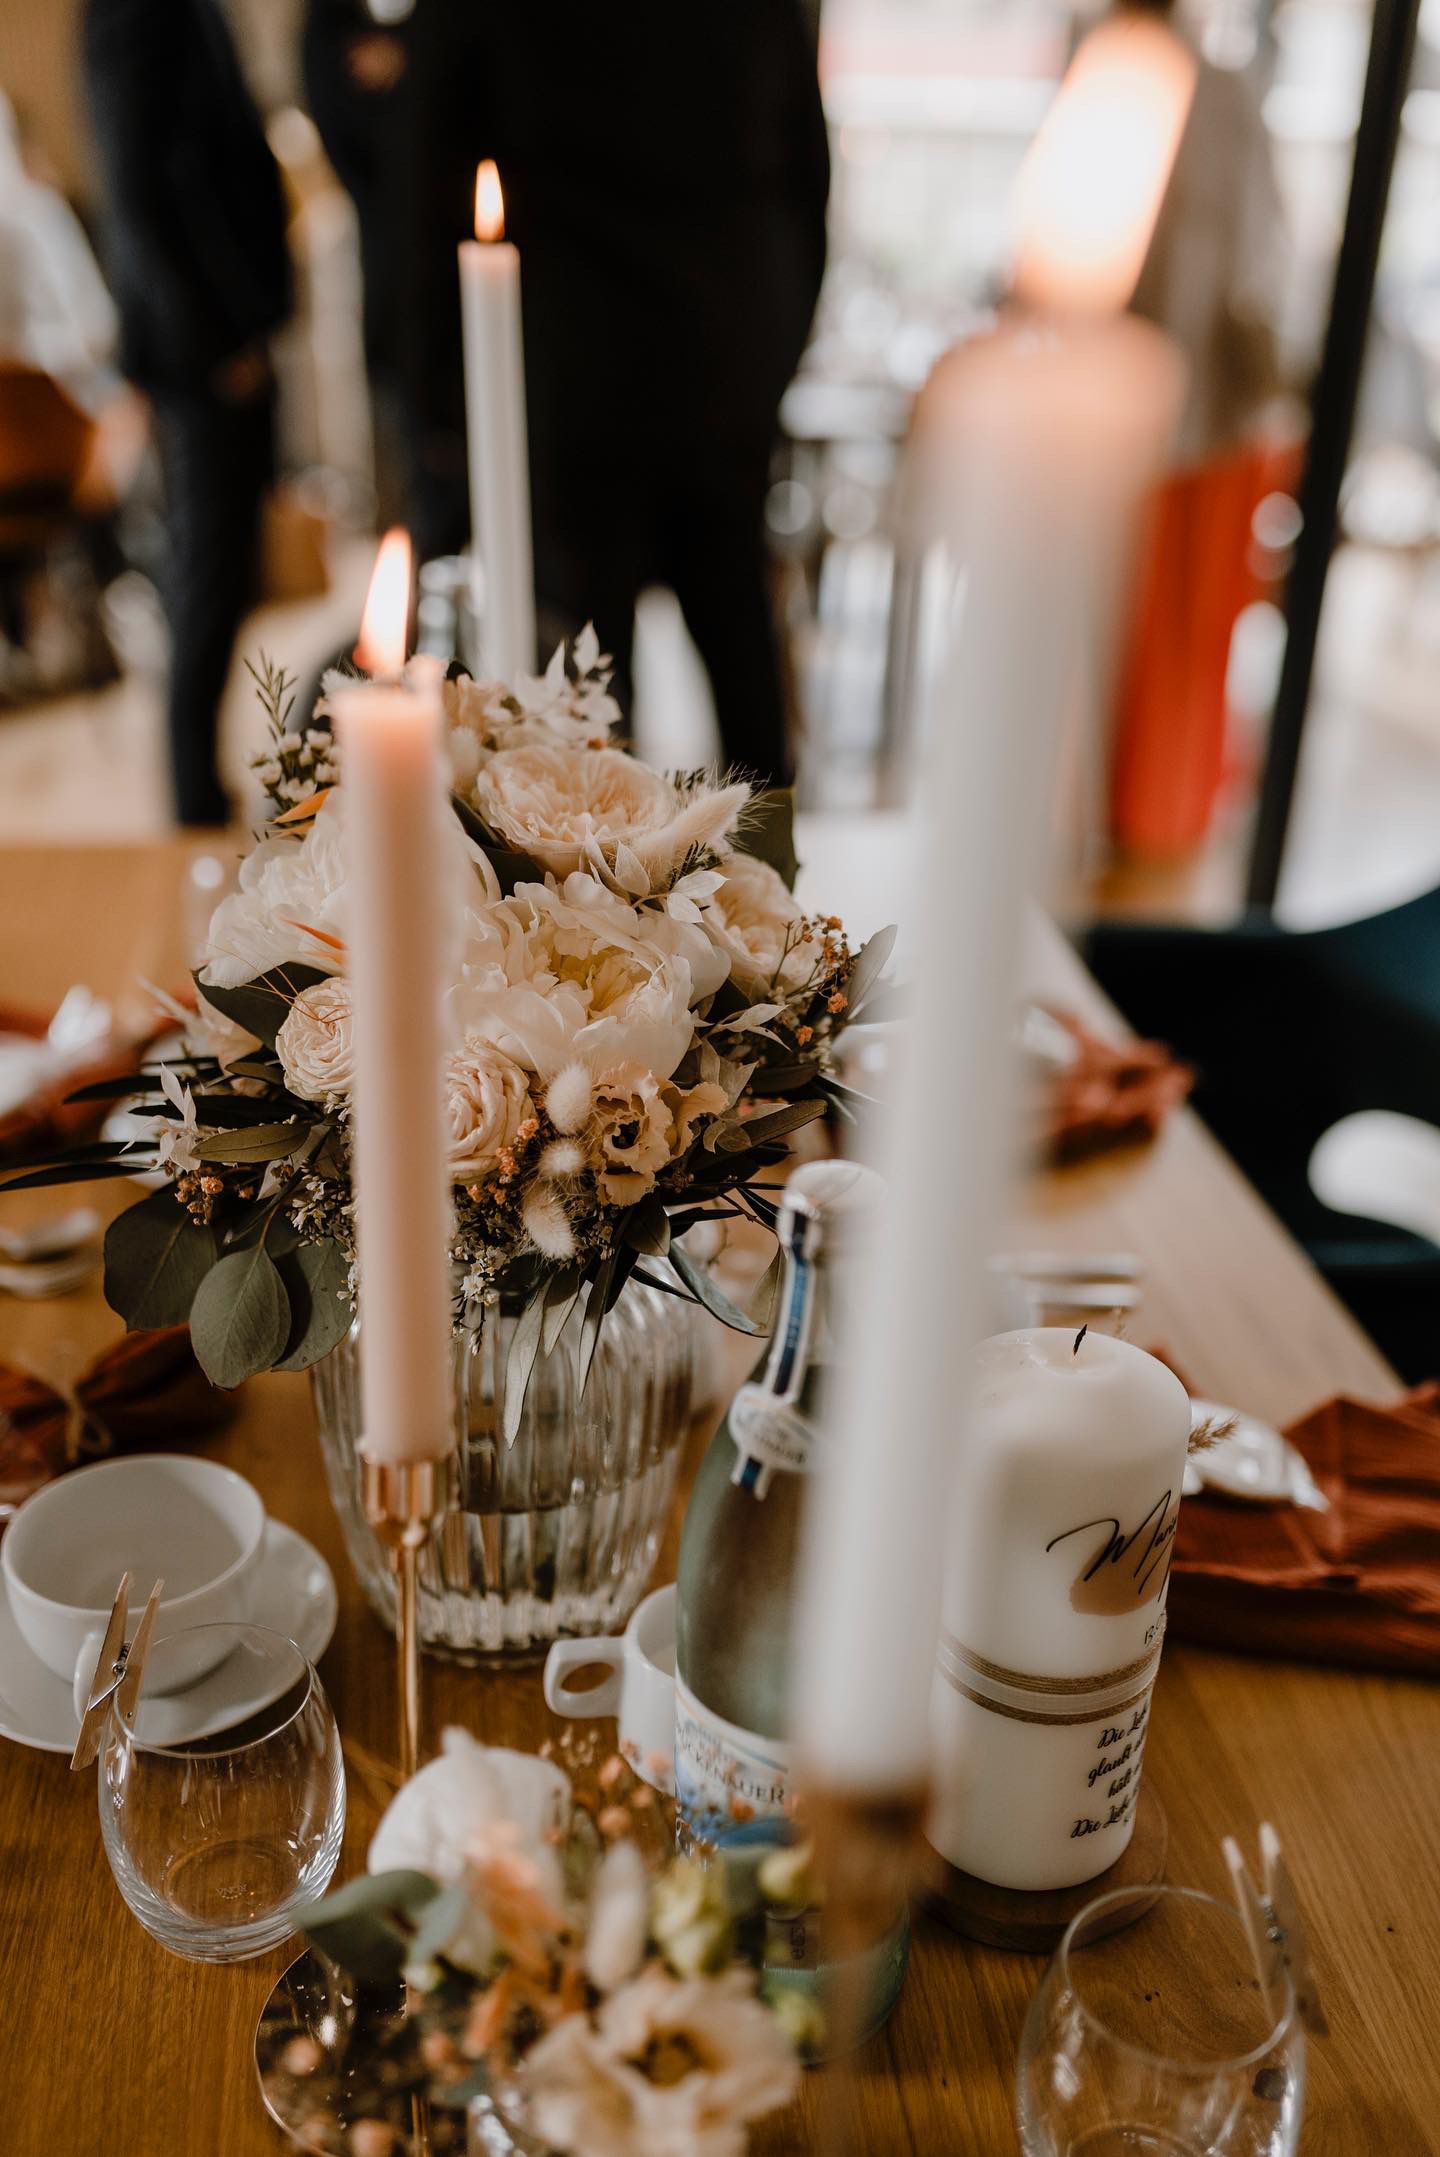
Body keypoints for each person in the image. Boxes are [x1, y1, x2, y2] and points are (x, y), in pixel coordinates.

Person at [399, 1, 829, 786]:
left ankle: (605, 889)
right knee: (726, 660)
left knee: (594, 691)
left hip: (575, 380)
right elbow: (809, 187)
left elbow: (423, 182)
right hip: (707, 364)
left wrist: (426, 397)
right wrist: (773, 363)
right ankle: (774, 881)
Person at [81, 0, 292, 827]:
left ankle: (201, 789)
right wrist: (218, 342)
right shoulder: (126, 15)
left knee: (227, 571)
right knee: (205, 576)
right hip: (202, 356)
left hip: (228, 343)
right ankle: (192, 805)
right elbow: (139, 193)